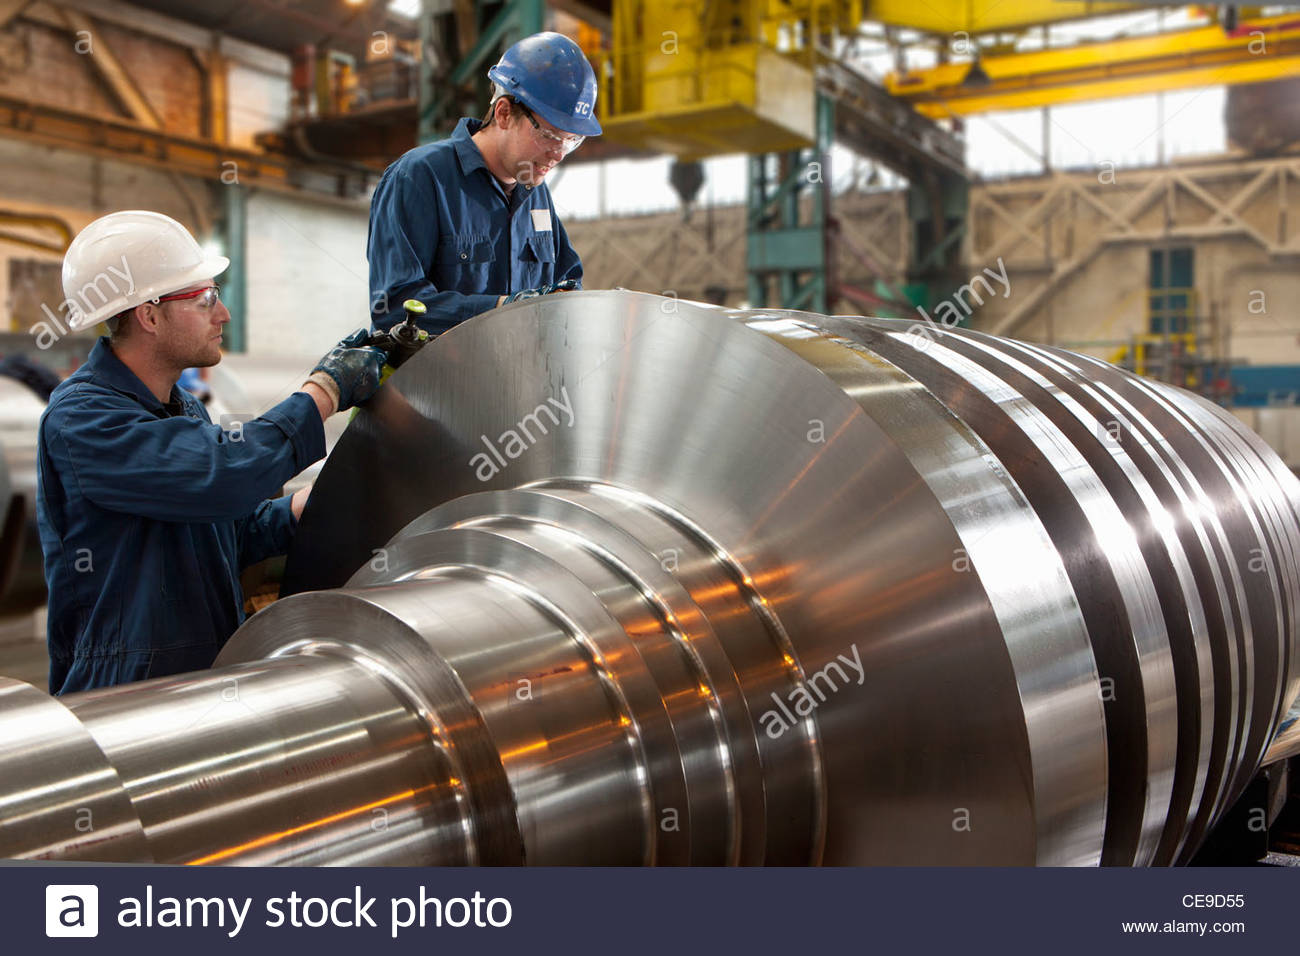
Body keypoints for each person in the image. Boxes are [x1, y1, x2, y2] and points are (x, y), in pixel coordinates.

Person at [37, 210, 387, 694]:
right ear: (150, 315)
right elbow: (221, 475)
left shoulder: (180, 408)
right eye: (205, 299)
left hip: (204, 673)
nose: (222, 314)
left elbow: (225, 534)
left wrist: (301, 509)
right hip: (125, 691)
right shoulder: (84, 419)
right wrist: (323, 393)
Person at [366, 31, 601, 335]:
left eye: (572, 140)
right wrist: (503, 310)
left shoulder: (535, 192)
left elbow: (567, 287)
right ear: (504, 113)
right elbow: (395, 307)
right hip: (435, 380)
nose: (558, 153)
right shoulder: (420, 178)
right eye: (548, 135)